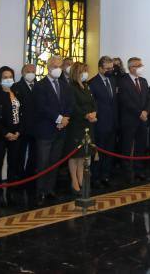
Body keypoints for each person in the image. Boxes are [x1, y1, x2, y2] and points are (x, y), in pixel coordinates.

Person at [33, 55, 72, 204]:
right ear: (48, 68)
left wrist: (65, 118)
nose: (58, 69)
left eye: (60, 66)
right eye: (55, 66)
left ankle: (50, 189)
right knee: (43, 162)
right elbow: (41, 107)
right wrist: (59, 118)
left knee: (54, 162)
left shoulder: (64, 85)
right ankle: (40, 191)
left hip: (61, 129)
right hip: (46, 129)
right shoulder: (40, 85)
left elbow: (69, 104)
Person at [0, 66, 24, 207]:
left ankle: (10, 193)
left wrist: (18, 132)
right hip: (1, 134)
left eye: (10, 77)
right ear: (0, 79)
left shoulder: (16, 92)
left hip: (16, 134)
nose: (8, 79)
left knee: (13, 164)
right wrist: (5, 133)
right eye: (5, 77)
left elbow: (21, 114)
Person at [118, 57, 150, 180]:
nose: (140, 67)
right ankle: (127, 172)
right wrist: (139, 113)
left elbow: (149, 99)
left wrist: (146, 111)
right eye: (138, 65)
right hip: (129, 119)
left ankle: (139, 170)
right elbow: (125, 100)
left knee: (141, 146)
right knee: (127, 146)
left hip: (142, 120)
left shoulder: (143, 81)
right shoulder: (123, 81)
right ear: (131, 68)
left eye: (141, 65)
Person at [65, 62, 96, 195]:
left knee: (83, 154)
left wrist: (94, 113)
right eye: (84, 71)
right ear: (77, 72)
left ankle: (81, 178)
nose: (86, 74)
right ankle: (74, 181)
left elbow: (93, 102)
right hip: (76, 124)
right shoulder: (71, 87)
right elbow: (73, 106)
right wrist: (85, 115)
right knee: (74, 155)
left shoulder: (86, 86)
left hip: (87, 124)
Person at [89, 56, 117, 186]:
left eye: (111, 68)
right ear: (100, 68)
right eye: (107, 68)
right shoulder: (92, 83)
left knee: (109, 152)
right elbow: (92, 105)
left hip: (112, 123)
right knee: (98, 152)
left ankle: (106, 175)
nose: (110, 70)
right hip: (99, 124)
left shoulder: (112, 80)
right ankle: (95, 177)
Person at [12, 64, 37, 190]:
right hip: (22, 127)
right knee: (19, 155)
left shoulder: (39, 86)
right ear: (22, 73)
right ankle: (19, 179)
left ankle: (30, 178)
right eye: (28, 71)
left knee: (34, 155)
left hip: (36, 127)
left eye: (33, 71)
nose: (31, 73)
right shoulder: (16, 87)